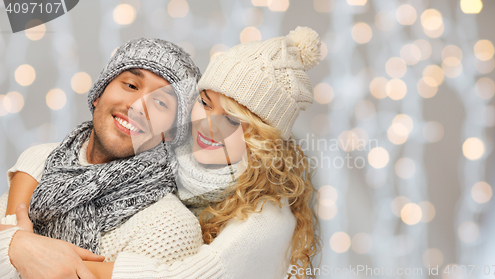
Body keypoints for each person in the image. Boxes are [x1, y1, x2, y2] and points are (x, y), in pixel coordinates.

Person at [0, 26, 322, 279]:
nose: (207, 126)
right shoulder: (52, 163)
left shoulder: (263, 221)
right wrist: (19, 239)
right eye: (205, 103)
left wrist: (43, 255)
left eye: (161, 102)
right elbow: (45, 158)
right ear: (97, 93)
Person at [0, 37, 204, 278]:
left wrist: (16, 244)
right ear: (98, 94)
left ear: (171, 133)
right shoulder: (40, 161)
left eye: (160, 102)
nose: (138, 106)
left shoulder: (171, 227)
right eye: (130, 85)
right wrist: (16, 245)